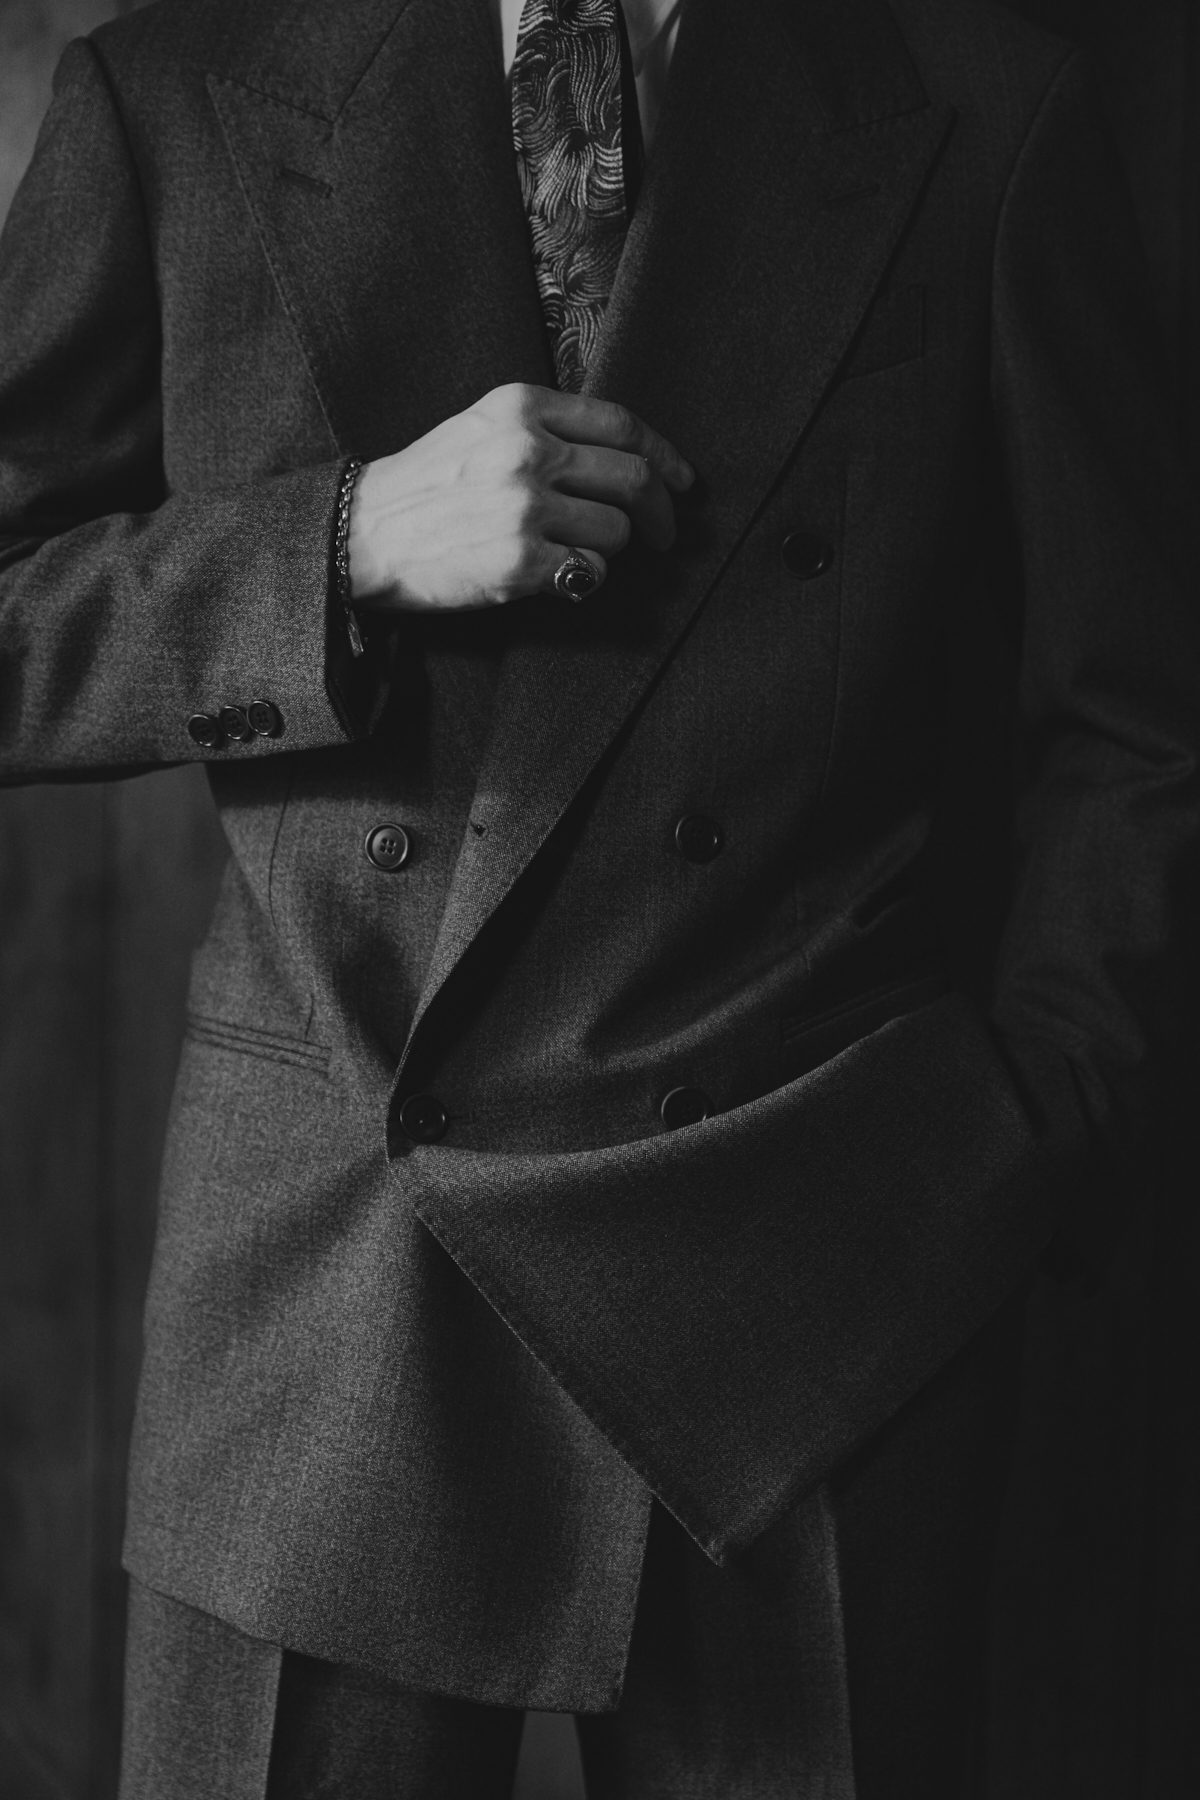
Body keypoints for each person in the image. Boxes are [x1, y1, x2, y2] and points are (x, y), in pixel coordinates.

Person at [0, 0, 1195, 1793]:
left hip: (818, 1257)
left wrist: (1030, 1125)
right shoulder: (177, 84)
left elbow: (1139, 714)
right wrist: (343, 542)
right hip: (336, 1265)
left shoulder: (987, 93)